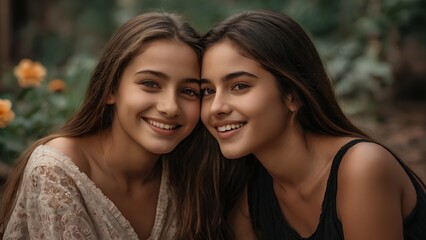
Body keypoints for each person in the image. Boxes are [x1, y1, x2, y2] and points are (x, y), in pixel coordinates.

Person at [200, 10, 426, 240]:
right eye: (207, 91)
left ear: (293, 95)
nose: (216, 107)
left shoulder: (362, 167)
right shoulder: (248, 192)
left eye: (239, 86)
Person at [0, 11, 204, 239]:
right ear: (111, 89)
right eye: (150, 83)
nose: (170, 107)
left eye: (188, 91)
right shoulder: (56, 170)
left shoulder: (193, 171)